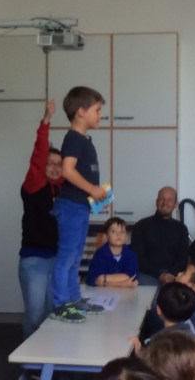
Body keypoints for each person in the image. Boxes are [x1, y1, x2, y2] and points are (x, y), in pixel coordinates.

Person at [50, 86, 108, 323]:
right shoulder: (73, 138)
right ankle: (60, 304)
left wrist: (95, 197)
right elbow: (67, 170)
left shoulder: (84, 139)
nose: (100, 115)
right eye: (97, 110)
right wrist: (93, 189)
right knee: (67, 256)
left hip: (80, 206)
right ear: (81, 112)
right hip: (71, 207)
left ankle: (73, 299)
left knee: (75, 257)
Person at [18, 100, 63, 339]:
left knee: (51, 315)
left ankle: (47, 358)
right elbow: (38, 155)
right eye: (50, 164)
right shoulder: (34, 185)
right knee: (35, 316)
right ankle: (27, 358)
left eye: (59, 165)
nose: (55, 168)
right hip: (34, 260)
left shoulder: (62, 189)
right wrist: (46, 121)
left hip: (58, 259)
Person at [131, 186, 189, 286]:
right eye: (161, 199)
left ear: (175, 204)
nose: (165, 203)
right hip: (148, 274)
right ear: (156, 202)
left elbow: (183, 258)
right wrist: (160, 275)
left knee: (177, 292)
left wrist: (171, 274)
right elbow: (138, 257)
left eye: (169, 200)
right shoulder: (141, 226)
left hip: (174, 274)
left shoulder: (181, 229)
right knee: (149, 293)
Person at [131, 282, 195, 355]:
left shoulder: (160, 343)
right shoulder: (190, 335)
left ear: (158, 310)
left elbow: (151, 360)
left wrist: (139, 352)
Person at [86, 217, 139, 288]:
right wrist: (123, 284)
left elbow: (131, 276)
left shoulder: (130, 254)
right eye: (113, 231)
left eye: (122, 232)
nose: (118, 235)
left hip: (126, 292)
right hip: (103, 292)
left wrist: (104, 279)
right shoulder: (100, 254)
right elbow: (93, 279)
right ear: (106, 236)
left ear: (126, 236)